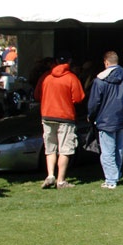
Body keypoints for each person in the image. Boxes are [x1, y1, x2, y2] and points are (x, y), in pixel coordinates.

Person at [86, 50, 123, 189]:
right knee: (119, 149)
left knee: (107, 151)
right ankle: (116, 174)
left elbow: (94, 103)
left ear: (106, 62)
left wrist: (90, 115)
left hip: (105, 120)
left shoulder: (100, 79)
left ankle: (111, 180)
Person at [34, 53, 85, 189]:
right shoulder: (71, 78)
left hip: (47, 115)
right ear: (69, 62)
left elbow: (37, 95)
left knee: (50, 147)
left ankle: (50, 175)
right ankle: (61, 180)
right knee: (65, 149)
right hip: (65, 116)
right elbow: (78, 98)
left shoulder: (46, 77)